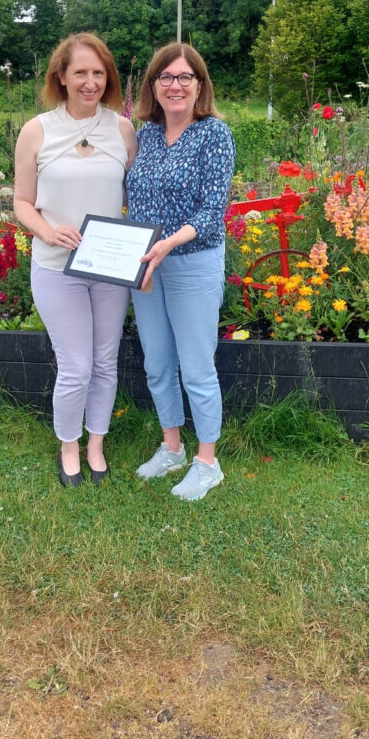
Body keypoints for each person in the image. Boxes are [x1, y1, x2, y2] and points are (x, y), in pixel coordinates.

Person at [14, 33, 137, 487]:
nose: (90, 82)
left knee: (105, 361)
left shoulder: (123, 130)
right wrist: (48, 230)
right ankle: (69, 446)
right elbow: (23, 201)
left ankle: (96, 443)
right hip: (55, 265)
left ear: (109, 79)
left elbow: (132, 199)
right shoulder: (37, 130)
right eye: (80, 72)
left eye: (98, 73)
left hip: (109, 268)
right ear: (61, 77)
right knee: (77, 365)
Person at [126, 42, 235, 501]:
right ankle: (172, 447)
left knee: (195, 366)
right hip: (146, 264)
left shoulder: (214, 134)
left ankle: (207, 463)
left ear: (199, 84)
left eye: (184, 77)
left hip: (192, 261)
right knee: (156, 362)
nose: (175, 85)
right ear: (154, 85)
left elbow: (214, 209)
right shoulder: (145, 134)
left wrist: (168, 242)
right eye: (166, 77)